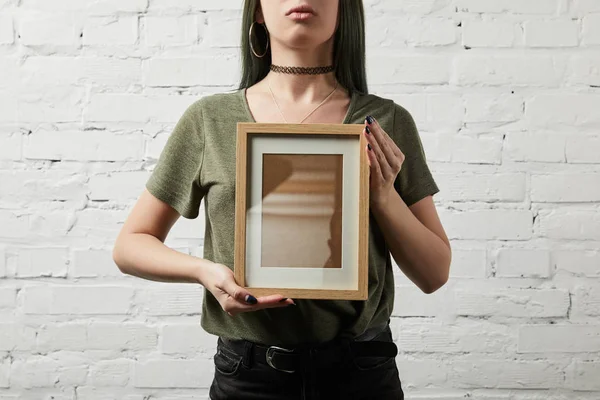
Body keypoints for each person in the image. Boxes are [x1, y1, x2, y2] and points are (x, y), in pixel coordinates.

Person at [112, 1, 452, 399]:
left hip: (361, 373)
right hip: (248, 376)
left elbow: (434, 274)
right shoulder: (209, 119)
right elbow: (130, 245)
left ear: (345, 10)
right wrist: (208, 273)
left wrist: (382, 197)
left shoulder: (385, 122)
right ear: (257, 11)